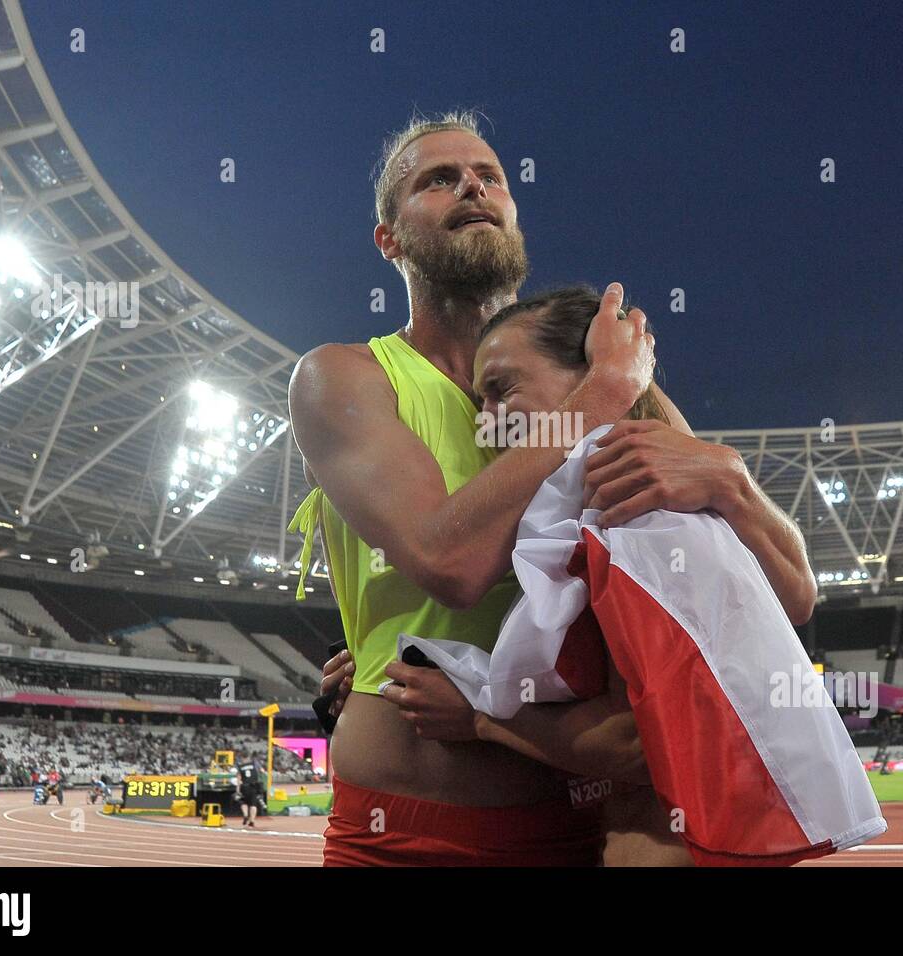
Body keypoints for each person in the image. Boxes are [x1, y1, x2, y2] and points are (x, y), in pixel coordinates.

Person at [289, 111, 817, 866]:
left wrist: (733, 481)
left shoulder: (596, 370)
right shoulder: (344, 377)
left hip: (585, 826)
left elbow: (786, 594)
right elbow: (453, 564)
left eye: (490, 177)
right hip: (400, 834)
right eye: (438, 180)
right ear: (390, 239)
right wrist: (599, 396)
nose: (473, 185)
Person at [237, 754, 264, 828]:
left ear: (242, 758)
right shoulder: (254, 764)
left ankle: (245, 815)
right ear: (249, 757)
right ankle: (252, 821)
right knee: (253, 804)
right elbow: (262, 771)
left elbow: (239, 779)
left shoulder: (240, 766)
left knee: (243, 801)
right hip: (254, 786)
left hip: (244, 786)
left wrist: (238, 789)